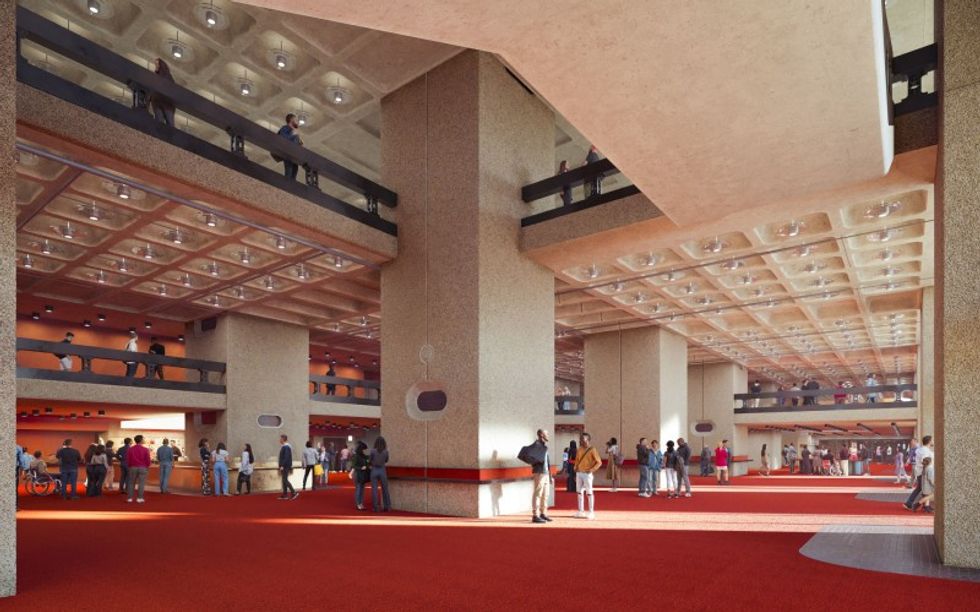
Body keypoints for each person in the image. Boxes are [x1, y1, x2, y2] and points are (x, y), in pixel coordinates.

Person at [573, 432, 601, 519]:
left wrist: (591, 470)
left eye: (583, 439)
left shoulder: (592, 449)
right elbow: (577, 460)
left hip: (587, 474)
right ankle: (580, 511)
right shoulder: (579, 449)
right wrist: (575, 468)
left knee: (589, 493)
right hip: (579, 473)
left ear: (588, 440)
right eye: (580, 439)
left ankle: (591, 511)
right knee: (579, 492)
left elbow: (599, 462)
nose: (581, 440)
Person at [526, 429, 552, 523]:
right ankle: (535, 515)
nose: (548, 435)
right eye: (546, 433)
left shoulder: (545, 447)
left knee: (545, 494)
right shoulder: (536, 446)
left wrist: (550, 475)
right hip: (539, 472)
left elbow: (548, 462)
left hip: (545, 473)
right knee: (538, 493)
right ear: (541, 434)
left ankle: (543, 513)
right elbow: (531, 459)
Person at [904, 435, 933, 510]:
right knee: (923, 488)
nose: (933, 441)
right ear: (929, 441)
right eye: (932, 440)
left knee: (922, 488)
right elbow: (925, 461)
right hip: (923, 472)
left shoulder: (922, 449)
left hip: (921, 471)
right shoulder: (925, 450)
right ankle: (910, 503)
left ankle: (924, 505)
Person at [147, 58, 176, 126]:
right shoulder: (155, 76)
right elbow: (151, 88)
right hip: (157, 102)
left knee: (170, 123)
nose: (156, 66)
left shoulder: (168, 76)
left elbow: (172, 90)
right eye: (155, 64)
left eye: (157, 64)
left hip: (167, 103)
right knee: (159, 122)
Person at [276, 113, 304, 180]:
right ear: (292, 119)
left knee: (294, 172)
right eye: (296, 119)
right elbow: (283, 139)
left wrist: (300, 143)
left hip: (294, 155)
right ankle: (287, 185)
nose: (297, 121)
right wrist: (294, 136)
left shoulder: (293, 131)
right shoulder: (285, 128)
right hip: (288, 154)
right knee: (289, 172)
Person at [125, 435, 151, 503]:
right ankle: (140, 498)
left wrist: (130, 466)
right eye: (143, 439)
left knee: (131, 483)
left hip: (133, 467)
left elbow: (128, 459)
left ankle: (130, 498)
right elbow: (148, 460)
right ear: (141, 440)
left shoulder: (130, 449)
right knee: (141, 483)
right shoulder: (145, 449)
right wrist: (147, 466)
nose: (144, 440)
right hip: (143, 468)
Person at [369, 437, 391, 513]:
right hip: (382, 470)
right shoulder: (386, 451)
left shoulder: (372, 451)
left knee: (374, 490)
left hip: (374, 470)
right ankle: (387, 507)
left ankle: (376, 508)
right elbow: (386, 460)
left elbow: (370, 460)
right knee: (385, 489)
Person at [278, 435, 298, 501]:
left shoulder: (286, 447)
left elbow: (286, 457)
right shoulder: (286, 446)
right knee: (284, 480)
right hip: (285, 466)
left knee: (285, 480)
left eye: (280, 439)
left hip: (285, 466)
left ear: (283, 439)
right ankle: (285, 495)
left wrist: (282, 465)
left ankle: (293, 492)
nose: (279, 440)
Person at [351, 441, 370, 510]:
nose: (364, 451)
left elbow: (368, 459)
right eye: (364, 449)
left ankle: (361, 503)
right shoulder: (356, 456)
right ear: (361, 449)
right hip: (357, 474)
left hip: (362, 475)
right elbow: (353, 466)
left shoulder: (363, 456)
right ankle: (358, 504)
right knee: (359, 489)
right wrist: (361, 468)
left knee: (362, 490)